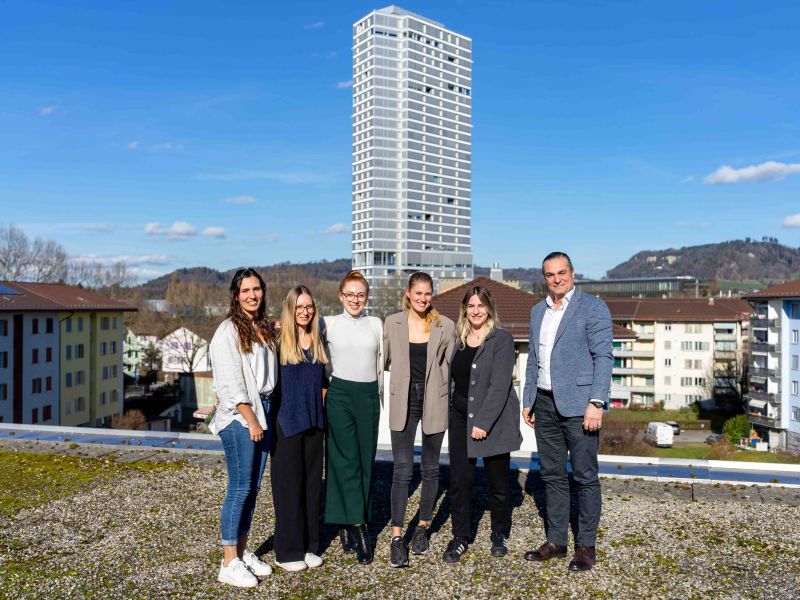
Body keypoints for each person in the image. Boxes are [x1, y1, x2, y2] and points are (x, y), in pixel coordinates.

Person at [521, 252, 613, 572]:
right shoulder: (537, 312)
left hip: (581, 406)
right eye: (550, 274)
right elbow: (534, 359)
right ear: (543, 278)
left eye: (562, 272)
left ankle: (586, 546)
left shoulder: (593, 307)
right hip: (544, 404)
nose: (556, 279)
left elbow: (604, 357)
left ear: (572, 273)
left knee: (585, 477)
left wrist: (597, 402)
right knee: (552, 476)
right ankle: (557, 541)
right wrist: (528, 399)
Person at [443, 285, 521, 563]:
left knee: (498, 483)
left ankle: (499, 533)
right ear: (465, 309)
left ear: (489, 308)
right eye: (471, 306)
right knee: (459, 482)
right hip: (461, 417)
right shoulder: (459, 339)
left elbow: (501, 385)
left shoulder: (501, 339)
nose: (476, 311)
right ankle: (461, 537)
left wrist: (484, 422)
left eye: (481, 305)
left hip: (492, 419)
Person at [209, 268, 276, 588]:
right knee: (239, 489)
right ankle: (228, 561)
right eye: (245, 290)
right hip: (241, 418)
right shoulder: (227, 331)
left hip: (263, 411)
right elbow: (231, 382)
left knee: (252, 489)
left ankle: (244, 551)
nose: (252, 295)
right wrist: (250, 420)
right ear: (235, 295)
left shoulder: (260, 327)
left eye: (257, 289)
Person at [383, 271, 456, 568]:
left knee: (430, 467)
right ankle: (397, 536)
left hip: (434, 401)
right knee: (402, 468)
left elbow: (449, 367)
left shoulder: (446, 326)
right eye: (418, 293)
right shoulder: (392, 322)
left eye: (428, 294)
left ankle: (423, 527)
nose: (423, 299)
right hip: (403, 399)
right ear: (409, 294)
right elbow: (385, 359)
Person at [322, 270, 383, 564]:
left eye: (360, 295)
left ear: (366, 297)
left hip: (369, 397)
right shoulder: (328, 324)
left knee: (364, 462)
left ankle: (342, 519)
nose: (355, 300)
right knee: (345, 461)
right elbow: (307, 347)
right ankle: (361, 528)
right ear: (340, 296)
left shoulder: (376, 324)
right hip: (340, 396)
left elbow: (386, 358)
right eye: (350, 295)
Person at [271, 285, 328, 572]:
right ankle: (286, 551)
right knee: (288, 488)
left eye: (309, 307)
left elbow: (324, 382)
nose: (305, 312)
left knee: (311, 488)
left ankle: (308, 547)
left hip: (314, 423)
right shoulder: (278, 340)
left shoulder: (318, 339)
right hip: (287, 424)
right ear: (290, 309)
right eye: (300, 307)